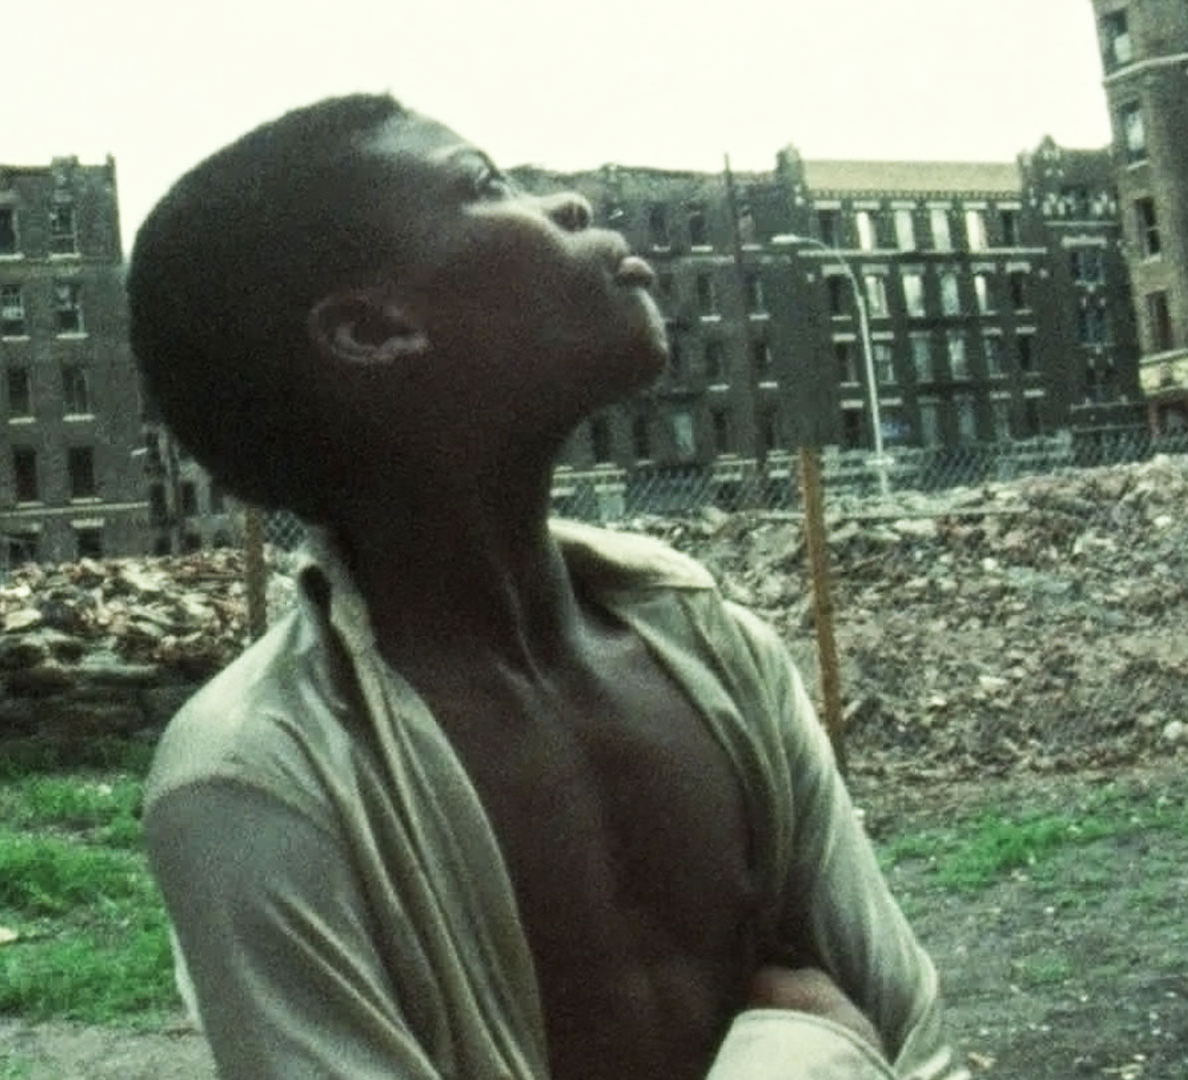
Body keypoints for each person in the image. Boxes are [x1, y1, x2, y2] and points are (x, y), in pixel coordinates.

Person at [129, 93, 968, 1080]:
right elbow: (860, 1036)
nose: (568, 203)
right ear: (369, 330)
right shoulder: (253, 784)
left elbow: (919, 1050)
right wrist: (802, 1052)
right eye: (487, 185)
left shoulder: (711, 646)